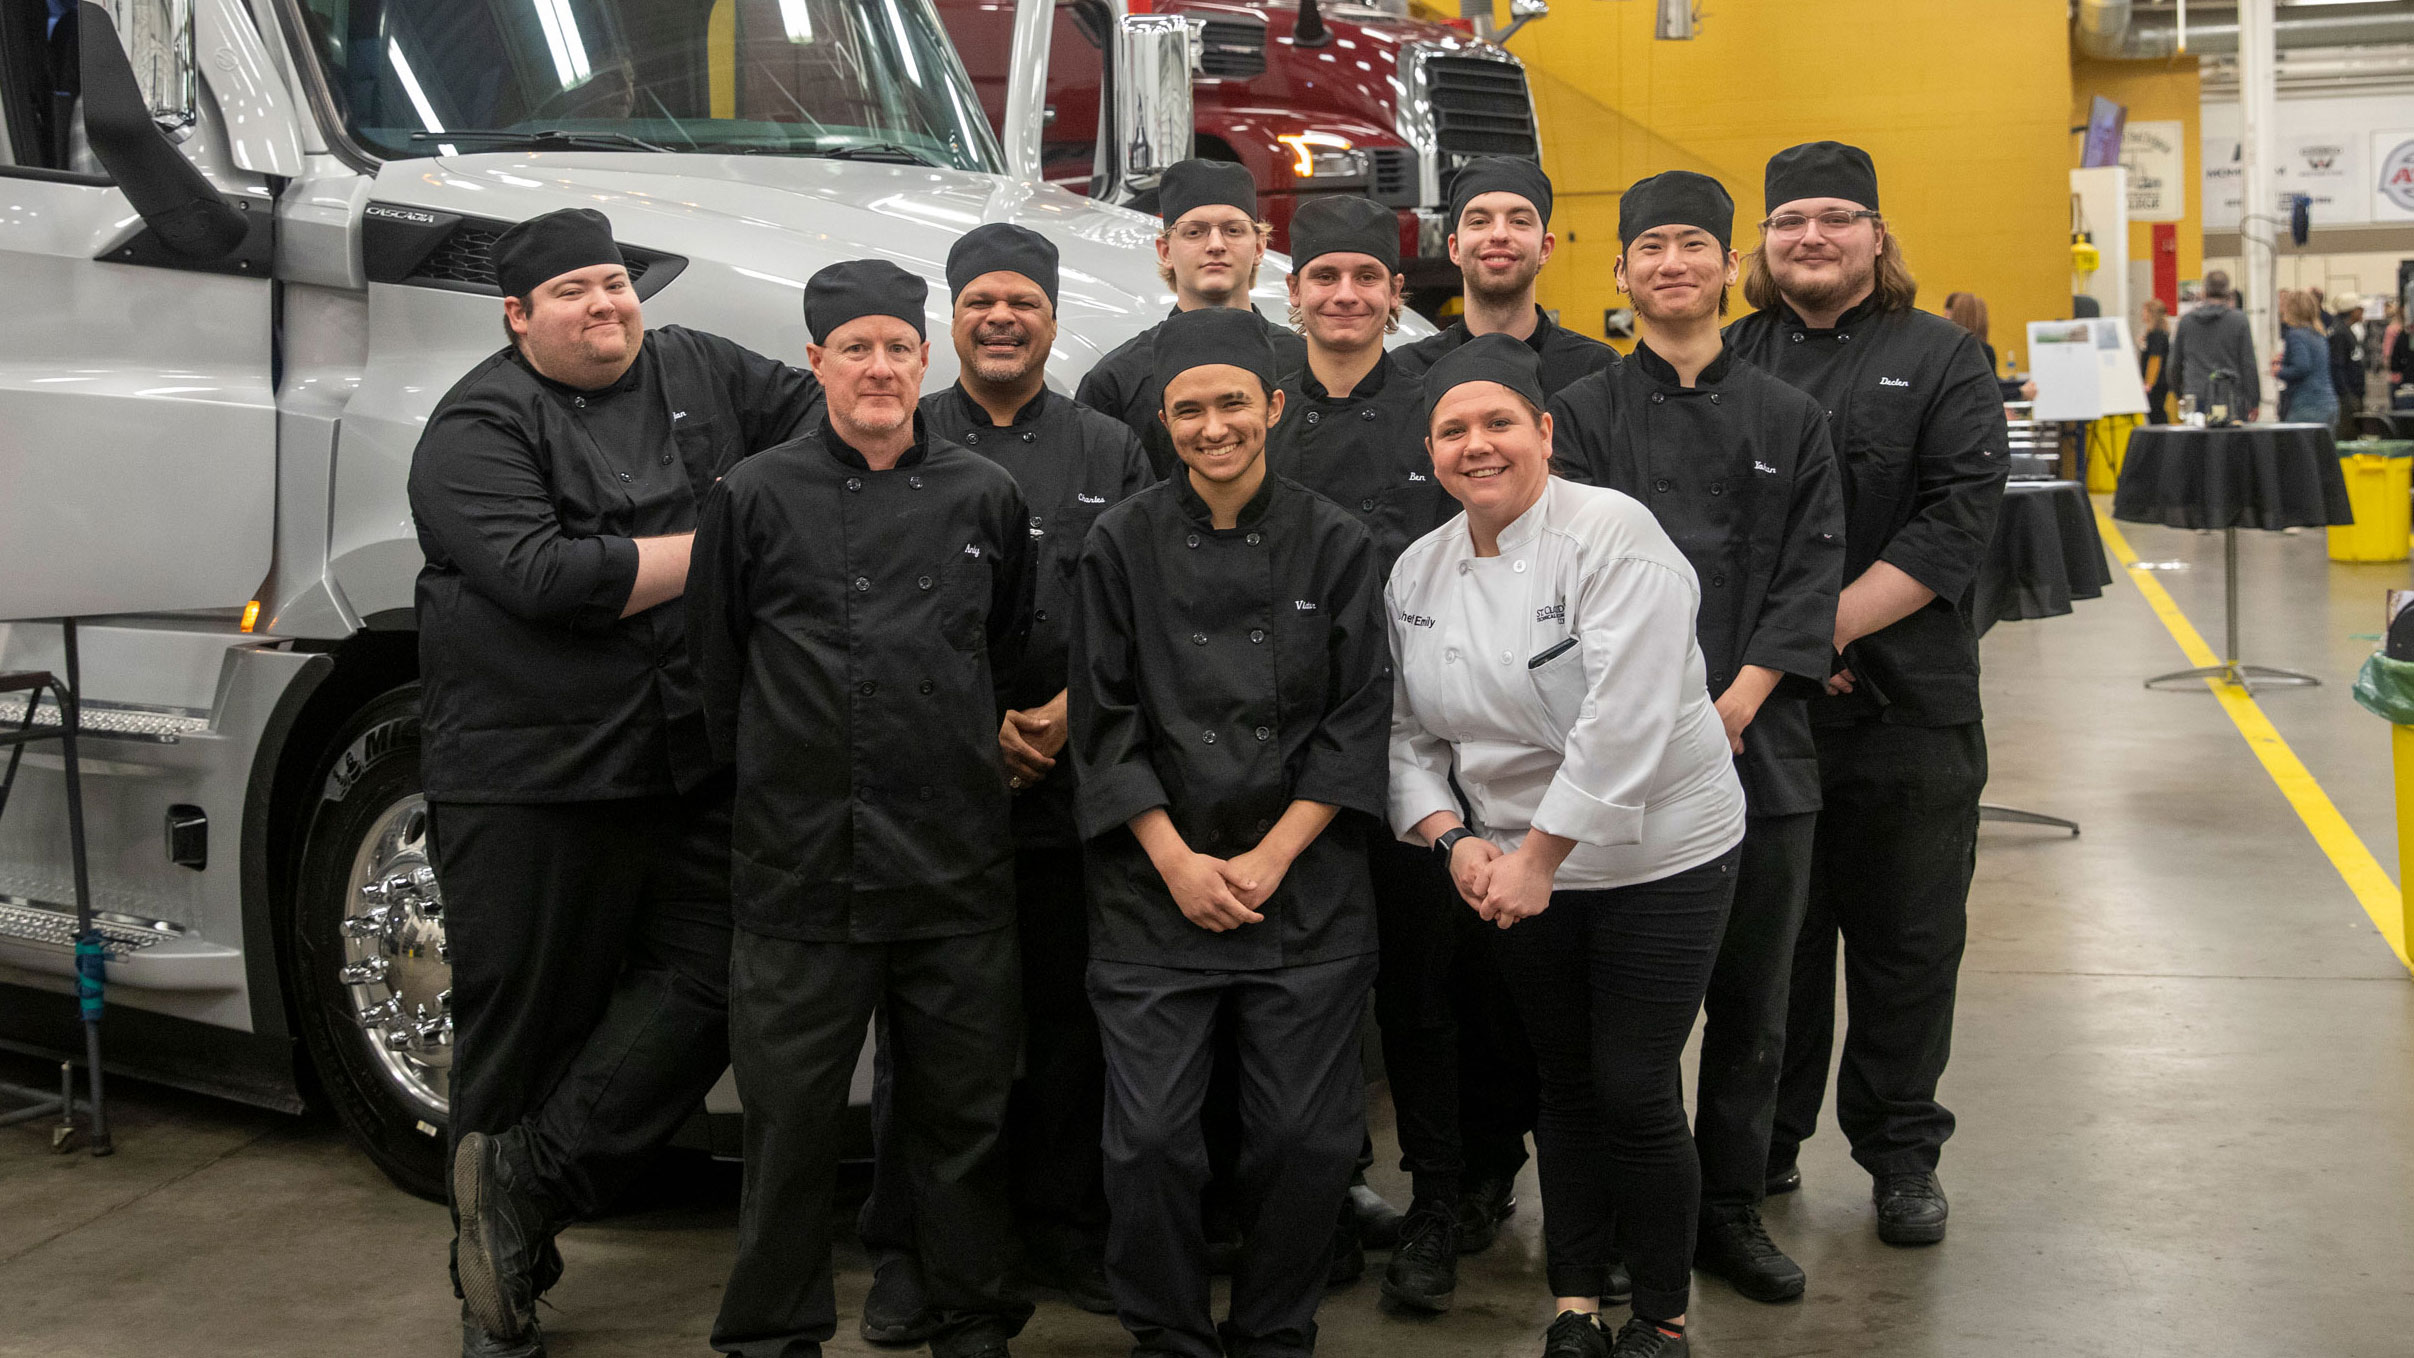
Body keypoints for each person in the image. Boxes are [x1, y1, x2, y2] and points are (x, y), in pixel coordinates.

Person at [409, 207, 824, 1358]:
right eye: (574, 292)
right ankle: (494, 1292)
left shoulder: (696, 364)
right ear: (517, 315)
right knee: (524, 1019)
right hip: (533, 775)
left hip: (687, 759)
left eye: (614, 283)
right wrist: (733, 539)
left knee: (723, 977)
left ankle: (523, 1191)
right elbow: (549, 577)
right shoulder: (474, 427)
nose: (606, 305)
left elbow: (813, 421)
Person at [690, 259, 1039, 1358]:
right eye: (855, 348)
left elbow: (1007, 649)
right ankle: (771, 1332)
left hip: (954, 863)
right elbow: (716, 673)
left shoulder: (985, 492)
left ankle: (968, 1314)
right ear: (815, 362)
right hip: (800, 865)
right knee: (788, 1127)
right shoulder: (751, 494)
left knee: (961, 1121)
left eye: (896, 346)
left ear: (923, 359)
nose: (878, 367)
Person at [1389, 335, 1746, 1358]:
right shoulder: (1418, 571)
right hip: (1510, 864)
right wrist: (1450, 837)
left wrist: (1534, 859)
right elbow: (1408, 735)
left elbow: (1622, 722)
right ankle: (1575, 1301)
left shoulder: (1611, 534)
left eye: (1498, 421)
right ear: (1430, 450)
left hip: (1657, 853)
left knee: (1632, 1083)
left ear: (1543, 432)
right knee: (1563, 1083)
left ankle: (1662, 1313)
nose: (1477, 444)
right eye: (1452, 429)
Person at [1070, 305, 1392, 1358]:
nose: (1212, 426)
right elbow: (1103, 717)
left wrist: (1265, 855)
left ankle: (1274, 1330)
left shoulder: (1336, 541)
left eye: (1231, 405)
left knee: (1305, 1139)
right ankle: (1165, 1332)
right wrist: (1176, 860)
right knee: (1151, 1139)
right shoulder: (1119, 540)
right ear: (1162, 422)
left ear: (1273, 408)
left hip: (1299, 885)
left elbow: (1355, 720)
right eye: (1188, 410)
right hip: (1151, 887)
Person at [1549, 170, 1844, 1305]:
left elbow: (1810, 570)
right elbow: (1562, 580)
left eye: (1692, 246)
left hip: (1757, 749)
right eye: (1648, 247)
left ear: (1731, 269)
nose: (1670, 263)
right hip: (1610, 755)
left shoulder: (1788, 417)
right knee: (1619, 1017)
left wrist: (1736, 698)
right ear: (1619, 274)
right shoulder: (1576, 414)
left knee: (1752, 1006)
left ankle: (1725, 1209)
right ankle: (1635, 1216)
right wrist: (1658, 715)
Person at [1726, 141, 2008, 1246]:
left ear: (1875, 235)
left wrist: (1817, 626)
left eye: (1836, 217)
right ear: (1762, 241)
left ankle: (1899, 1154)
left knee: (1906, 942)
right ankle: (1764, 1144)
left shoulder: (1943, 357)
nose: (1812, 236)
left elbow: (1953, 521)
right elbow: (1711, 532)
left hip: (1909, 706)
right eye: (1790, 219)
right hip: (1766, 714)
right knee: (1771, 948)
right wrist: (1781, 655)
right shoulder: (1732, 356)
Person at [1261, 193, 1502, 1311]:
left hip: (1420, 747)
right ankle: (1320, 1194)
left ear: (1394, 292)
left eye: (1366, 276)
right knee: (1303, 989)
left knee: (1422, 992)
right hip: (1284, 750)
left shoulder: (1431, 407)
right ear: (1294, 294)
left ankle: (1439, 1203)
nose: (1345, 295)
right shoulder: (1264, 412)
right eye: (1324, 279)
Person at [1078, 159, 1310, 477]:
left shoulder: (1304, 364)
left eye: (1232, 230)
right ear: (1165, 251)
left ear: (1259, 247)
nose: (1215, 245)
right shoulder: (1117, 382)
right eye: (1194, 232)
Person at [1392, 156, 1617, 396]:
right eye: (1479, 221)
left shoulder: (1598, 373)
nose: (1499, 234)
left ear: (1545, 248)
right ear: (1454, 248)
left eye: (1519, 221)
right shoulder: (1407, 374)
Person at [2168, 270, 2259, 421]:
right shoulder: (2239, 321)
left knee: (2197, 444)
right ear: (2228, 293)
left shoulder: (2186, 322)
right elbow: (2248, 364)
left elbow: (2174, 364)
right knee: (2231, 444)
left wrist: (2179, 394)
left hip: (2196, 397)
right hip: (2231, 398)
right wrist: (2254, 400)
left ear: (2204, 292)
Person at [2274, 289, 2338, 428]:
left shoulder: (2295, 335)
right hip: (2328, 403)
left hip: (2307, 405)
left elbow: (2302, 367)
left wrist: (2279, 371)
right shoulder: (2319, 334)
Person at [2327, 303, 2366, 424]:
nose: (2362, 313)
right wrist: (2346, 394)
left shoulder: (2346, 329)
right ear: (2352, 310)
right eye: (2360, 309)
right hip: (2348, 394)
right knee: (2348, 432)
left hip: (2352, 391)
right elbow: (2337, 365)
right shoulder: (2340, 332)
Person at [2138, 298, 2172, 424]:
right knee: (2156, 412)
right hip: (2159, 382)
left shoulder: (2156, 335)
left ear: (2151, 314)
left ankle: (2162, 438)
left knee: (2156, 412)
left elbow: (2155, 360)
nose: (2142, 314)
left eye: (2144, 311)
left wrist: (2149, 383)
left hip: (2156, 383)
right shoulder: (2157, 333)